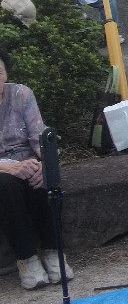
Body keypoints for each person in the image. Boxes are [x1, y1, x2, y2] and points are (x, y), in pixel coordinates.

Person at [0, 48, 75, 290]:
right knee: (7, 187)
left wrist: (46, 164)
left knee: (43, 179)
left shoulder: (21, 94)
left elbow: (39, 136)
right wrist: (10, 168)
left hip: (28, 159)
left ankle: (54, 251)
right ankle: (27, 258)